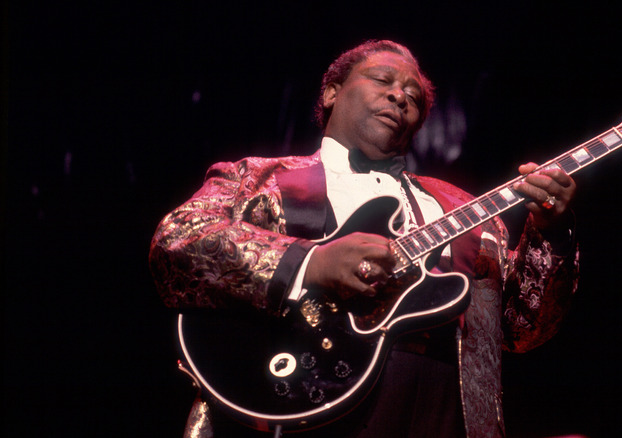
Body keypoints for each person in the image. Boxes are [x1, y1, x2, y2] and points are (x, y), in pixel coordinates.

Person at [150, 39, 579, 438]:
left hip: (449, 411)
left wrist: (551, 232)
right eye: (383, 81)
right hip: (298, 401)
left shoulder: (470, 211)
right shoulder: (258, 177)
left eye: (415, 97)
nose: (401, 97)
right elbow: (178, 241)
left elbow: (523, 330)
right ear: (331, 93)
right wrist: (310, 264)